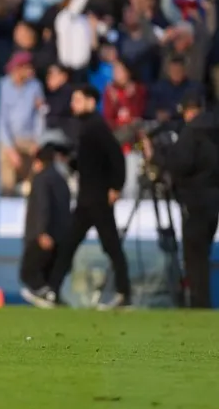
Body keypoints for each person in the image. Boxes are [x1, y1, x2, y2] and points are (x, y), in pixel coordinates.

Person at [44, 85, 130, 309]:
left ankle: (124, 293)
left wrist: (116, 186)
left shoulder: (96, 127)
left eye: (78, 99)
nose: (74, 104)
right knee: (73, 245)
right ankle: (53, 289)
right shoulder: (86, 127)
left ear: (92, 101)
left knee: (107, 246)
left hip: (97, 199)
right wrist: (71, 162)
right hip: (88, 199)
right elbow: (90, 161)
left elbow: (116, 156)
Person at [145, 93, 219, 308]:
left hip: (194, 200)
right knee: (202, 252)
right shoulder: (214, 132)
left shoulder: (191, 133)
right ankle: (203, 301)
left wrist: (156, 156)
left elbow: (180, 164)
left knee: (193, 255)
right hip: (214, 201)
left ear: (188, 111)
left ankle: (198, 303)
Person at [20, 144, 71, 308]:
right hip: (60, 235)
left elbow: (43, 206)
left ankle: (47, 294)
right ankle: (52, 296)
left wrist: (42, 231)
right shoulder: (61, 178)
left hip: (41, 234)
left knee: (28, 273)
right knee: (48, 273)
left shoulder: (41, 178)